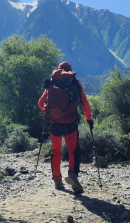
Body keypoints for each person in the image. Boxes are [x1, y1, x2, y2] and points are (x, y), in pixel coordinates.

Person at [38, 61, 93, 194]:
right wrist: (89, 120)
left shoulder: (51, 84)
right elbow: (85, 104)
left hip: (54, 125)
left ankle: (57, 180)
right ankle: (73, 175)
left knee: (55, 151)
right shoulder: (75, 83)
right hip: (70, 124)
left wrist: (48, 112)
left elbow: (40, 103)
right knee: (73, 151)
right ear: (69, 72)